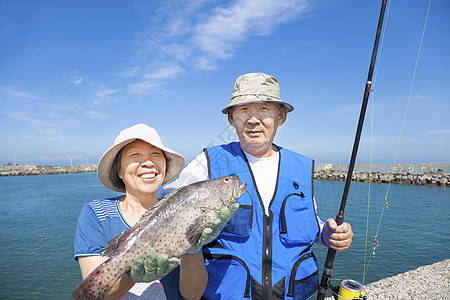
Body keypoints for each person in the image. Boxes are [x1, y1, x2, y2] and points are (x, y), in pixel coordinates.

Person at [157, 72, 354, 299]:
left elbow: (309, 221)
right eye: (243, 110)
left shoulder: (301, 167)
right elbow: (168, 205)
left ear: (280, 117)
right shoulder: (210, 161)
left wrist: (326, 234)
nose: (253, 120)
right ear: (231, 119)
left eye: (263, 110)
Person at [74, 123, 237, 300]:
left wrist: (192, 248)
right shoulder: (96, 213)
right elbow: (96, 295)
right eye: (135, 155)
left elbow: (193, 295)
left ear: (165, 166)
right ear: (118, 171)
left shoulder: (185, 210)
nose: (148, 163)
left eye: (156, 154)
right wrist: (132, 275)